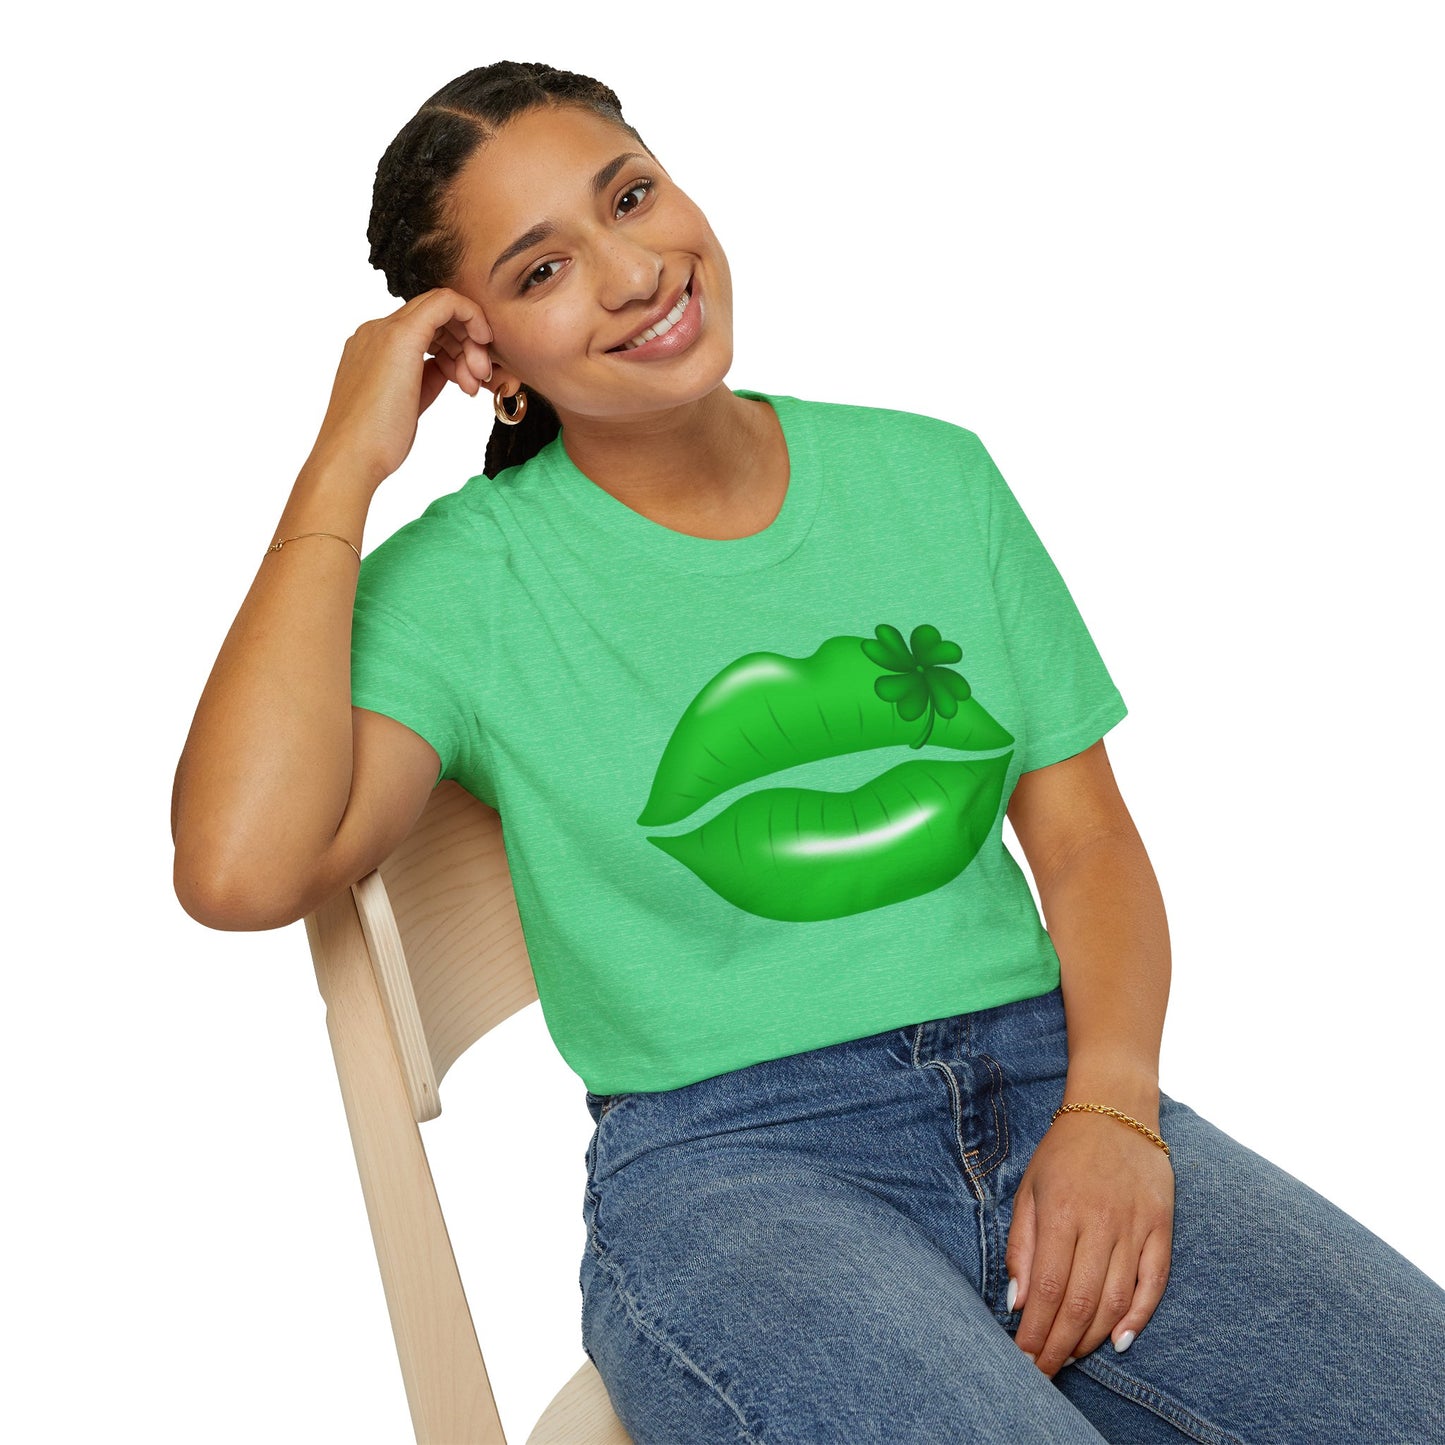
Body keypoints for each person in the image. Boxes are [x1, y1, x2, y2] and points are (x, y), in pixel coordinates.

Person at [171, 60, 1445, 1444]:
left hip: (1053, 1084)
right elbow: (239, 870)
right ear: (486, 359)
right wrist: (342, 462)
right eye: (542, 270)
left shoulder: (933, 478)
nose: (633, 273)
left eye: (630, 197)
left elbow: (1086, 845)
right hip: (733, 1173)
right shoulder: (467, 583)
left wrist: (1114, 1109)